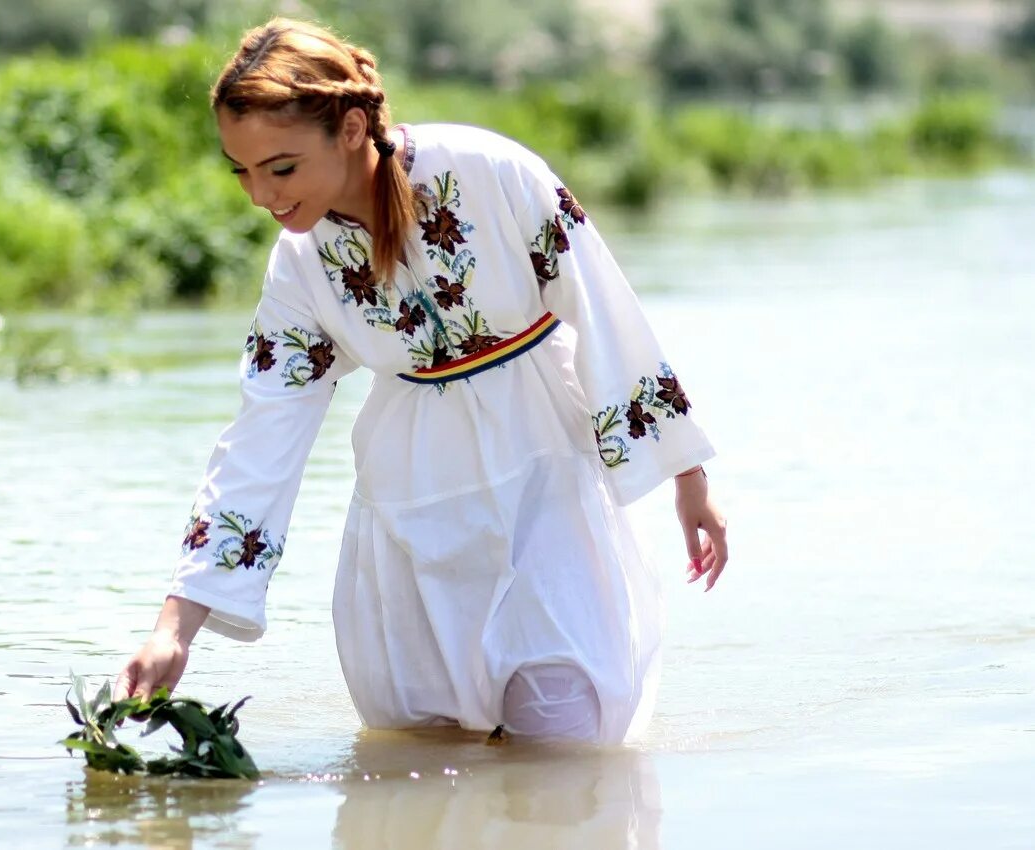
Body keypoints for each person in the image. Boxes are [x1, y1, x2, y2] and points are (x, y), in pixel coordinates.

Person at [114, 18, 729, 743]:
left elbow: (603, 308)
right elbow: (261, 435)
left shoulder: (489, 171)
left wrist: (688, 477)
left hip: (545, 482)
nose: (259, 196)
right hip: (411, 506)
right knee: (425, 742)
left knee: (562, 736)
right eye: (241, 170)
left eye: (280, 168)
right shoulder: (300, 265)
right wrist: (174, 628)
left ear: (349, 128)